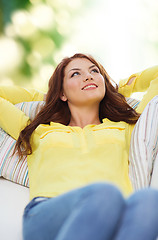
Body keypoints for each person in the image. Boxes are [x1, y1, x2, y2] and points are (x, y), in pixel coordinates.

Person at [0, 53, 158, 240]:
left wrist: (114, 89)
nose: (88, 76)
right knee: (105, 194)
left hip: (115, 215)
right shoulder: (38, 132)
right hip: (49, 213)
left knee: (150, 201)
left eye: (94, 71)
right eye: (75, 74)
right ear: (62, 93)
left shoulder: (126, 127)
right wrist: (47, 97)